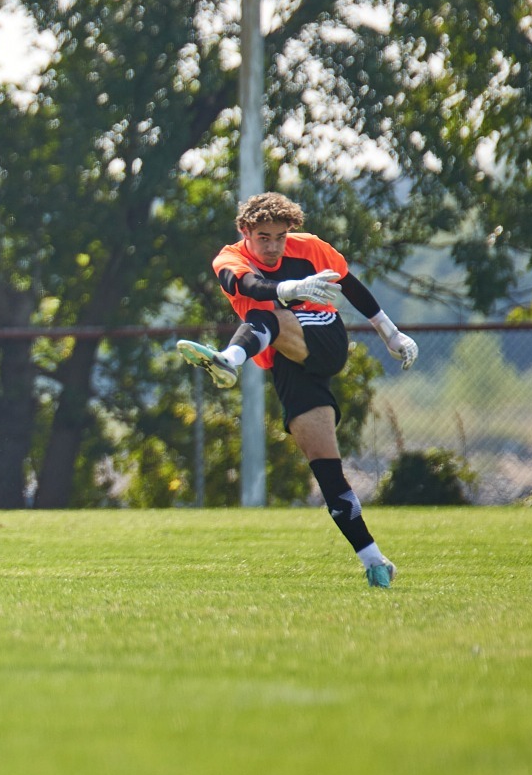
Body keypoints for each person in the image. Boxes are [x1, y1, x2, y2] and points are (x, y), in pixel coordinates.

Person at [175, 193, 418, 587]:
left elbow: (350, 285)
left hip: (325, 337)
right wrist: (289, 288)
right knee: (326, 470)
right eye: (263, 238)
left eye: (280, 237)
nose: (273, 246)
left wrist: (390, 334)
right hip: (289, 362)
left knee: (267, 316)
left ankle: (229, 360)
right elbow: (249, 284)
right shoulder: (230, 258)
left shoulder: (311, 247)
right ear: (245, 232)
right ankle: (374, 561)